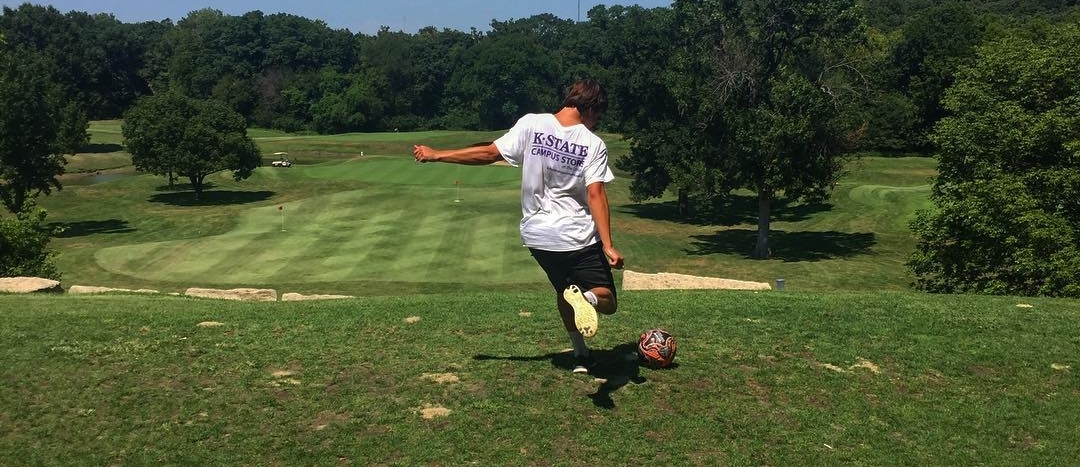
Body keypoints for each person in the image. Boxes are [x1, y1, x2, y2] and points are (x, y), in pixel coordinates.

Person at [413, 78, 624, 374]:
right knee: (607, 299)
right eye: (598, 116)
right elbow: (595, 193)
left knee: (565, 290)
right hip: (575, 237)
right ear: (591, 108)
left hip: (538, 238)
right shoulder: (592, 144)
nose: (596, 123)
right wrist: (608, 244)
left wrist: (438, 155)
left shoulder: (532, 123)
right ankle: (587, 298)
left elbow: (489, 153)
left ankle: (581, 355)